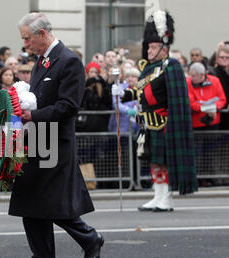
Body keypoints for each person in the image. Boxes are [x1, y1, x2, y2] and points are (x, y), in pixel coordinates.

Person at [0, 13, 103, 258]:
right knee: (29, 200)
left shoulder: (70, 61)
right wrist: (5, 96)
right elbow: (32, 98)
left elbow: (69, 106)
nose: (25, 44)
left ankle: (90, 238)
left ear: (42, 34)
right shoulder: (41, 61)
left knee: (51, 203)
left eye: (27, 38)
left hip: (57, 142)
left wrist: (33, 116)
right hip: (36, 141)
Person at [115, 10, 197, 212]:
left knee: (164, 162)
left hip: (164, 122)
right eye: (149, 47)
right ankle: (157, 195)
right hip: (146, 122)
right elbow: (140, 92)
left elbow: (176, 99)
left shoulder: (172, 66)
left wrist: (173, 124)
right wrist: (123, 93)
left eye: (153, 47)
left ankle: (166, 197)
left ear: (164, 47)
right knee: (153, 161)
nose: (149, 51)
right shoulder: (149, 68)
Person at [77, 62, 112, 132]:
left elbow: (108, 102)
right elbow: (79, 100)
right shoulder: (82, 85)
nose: (93, 74)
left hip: (99, 124)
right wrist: (87, 85)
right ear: (87, 73)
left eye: (96, 72)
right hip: (85, 123)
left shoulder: (101, 87)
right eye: (91, 72)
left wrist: (104, 84)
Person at [214, 45, 229, 130]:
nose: (224, 59)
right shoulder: (213, 73)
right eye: (222, 57)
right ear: (217, 58)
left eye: (227, 57)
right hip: (220, 112)